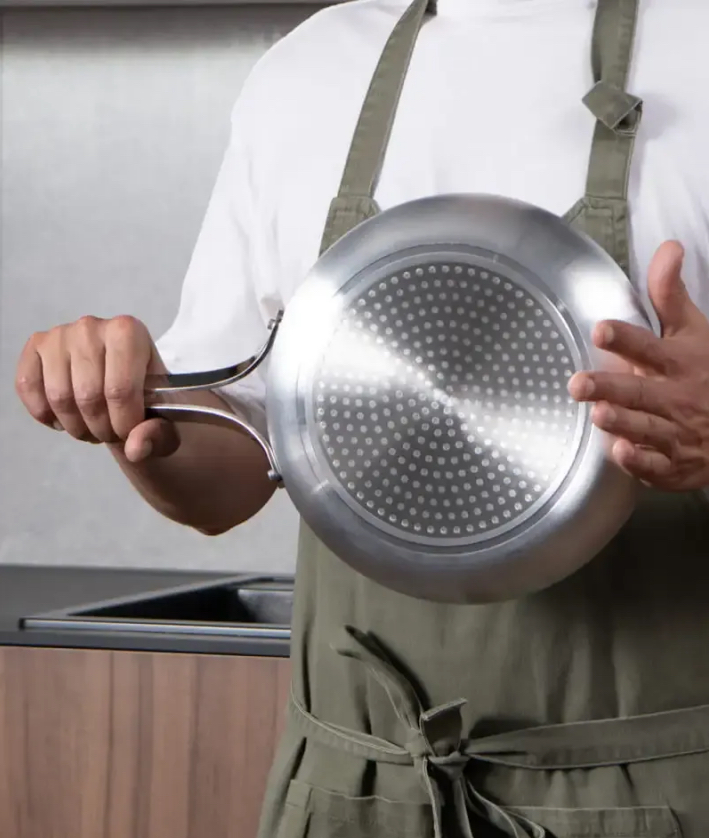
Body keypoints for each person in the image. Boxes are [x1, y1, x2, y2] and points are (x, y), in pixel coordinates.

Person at [15, 0, 709, 834]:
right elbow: (226, 481)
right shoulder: (310, 71)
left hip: (658, 793)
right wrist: (124, 407)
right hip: (357, 791)